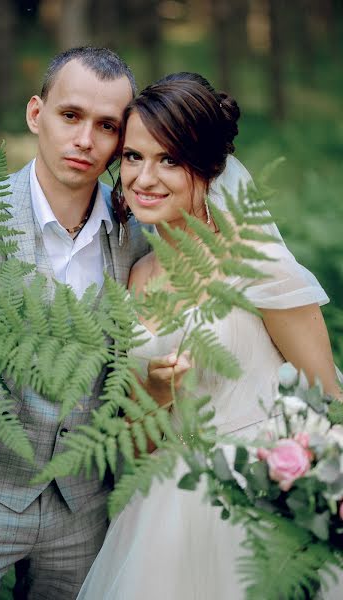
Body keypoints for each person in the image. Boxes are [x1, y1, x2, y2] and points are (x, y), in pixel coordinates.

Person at [76, 75, 343, 599]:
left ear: (210, 167)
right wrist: (153, 393)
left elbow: (329, 399)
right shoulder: (136, 275)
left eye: (169, 160)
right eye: (132, 157)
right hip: (160, 513)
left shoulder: (256, 264)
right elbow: (144, 441)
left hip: (260, 505)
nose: (144, 177)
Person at [0, 46, 154, 599]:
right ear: (36, 114)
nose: (86, 140)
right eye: (71, 116)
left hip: (83, 508)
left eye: (107, 125)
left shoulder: (136, 239)